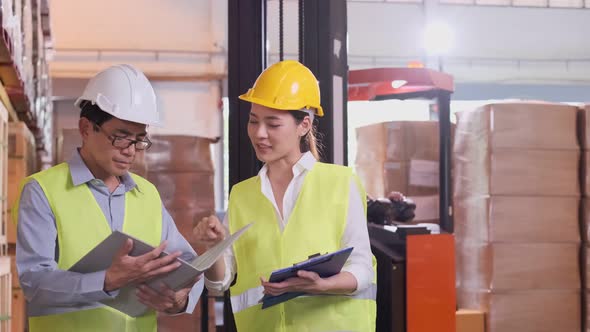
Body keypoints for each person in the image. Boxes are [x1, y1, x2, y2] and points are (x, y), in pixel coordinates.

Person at [12, 64, 204, 332]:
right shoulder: (43, 190)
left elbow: (186, 263)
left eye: (139, 140)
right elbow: (34, 282)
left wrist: (178, 300)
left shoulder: (146, 194)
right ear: (86, 128)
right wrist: (107, 280)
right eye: (121, 137)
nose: (131, 151)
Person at [194, 60, 376, 331]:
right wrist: (213, 248)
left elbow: (362, 267)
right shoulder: (242, 194)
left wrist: (323, 285)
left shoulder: (340, 182)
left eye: (273, 124)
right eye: (253, 121)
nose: (259, 133)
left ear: (303, 125)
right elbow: (220, 282)